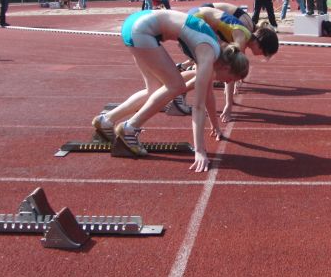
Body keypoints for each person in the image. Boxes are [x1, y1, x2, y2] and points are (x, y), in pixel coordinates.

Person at [91, 9, 249, 170]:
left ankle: (106, 120)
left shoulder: (213, 50)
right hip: (142, 30)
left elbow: (207, 95)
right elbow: (198, 106)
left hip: (134, 24)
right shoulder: (208, 56)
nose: (228, 82)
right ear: (227, 67)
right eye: (231, 79)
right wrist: (200, 150)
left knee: (154, 90)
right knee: (176, 86)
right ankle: (129, 128)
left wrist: (215, 126)